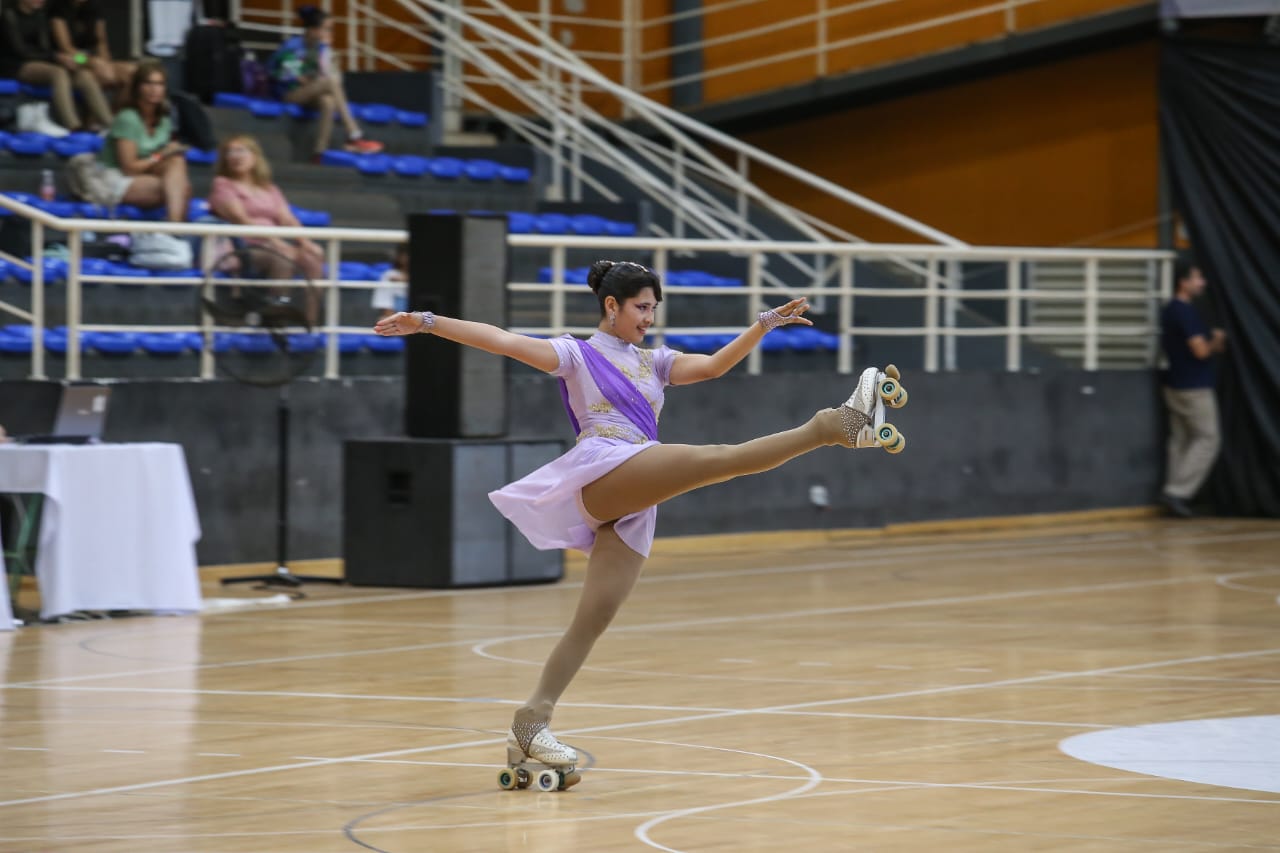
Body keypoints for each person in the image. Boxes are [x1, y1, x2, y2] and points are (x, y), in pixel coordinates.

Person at [373, 260, 905, 780]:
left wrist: (763, 324)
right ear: (612, 306)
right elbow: (502, 340)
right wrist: (427, 322)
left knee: (594, 617)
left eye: (653, 309)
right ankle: (833, 425)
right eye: (641, 308)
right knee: (719, 460)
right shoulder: (575, 354)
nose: (649, 318)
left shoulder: (654, 362)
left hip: (635, 487)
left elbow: (715, 366)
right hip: (605, 467)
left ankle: (530, 722)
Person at [268, 5, 383, 162]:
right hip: (288, 93)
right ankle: (354, 134)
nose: (329, 33)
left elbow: (322, 75)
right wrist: (307, 77)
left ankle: (319, 153)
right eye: (326, 29)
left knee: (328, 102)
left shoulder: (320, 48)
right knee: (331, 82)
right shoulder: (292, 47)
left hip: (308, 92)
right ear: (313, 30)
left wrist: (329, 59)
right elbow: (286, 76)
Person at [1159, 258, 1225, 518]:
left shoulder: (1169, 310)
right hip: (1194, 387)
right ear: (1183, 282)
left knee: (1181, 441)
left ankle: (1174, 494)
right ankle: (1177, 492)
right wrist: (1216, 341)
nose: (1202, 283)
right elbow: (1199, 350)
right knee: (1209, 439)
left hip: (1174, 383)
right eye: (1197, 277)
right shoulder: (1185, 311)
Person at [208, 134, 324, 284]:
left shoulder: (269, 188)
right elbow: (241, 219)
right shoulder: (222, 184)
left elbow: (287, 218)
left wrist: (306, 243)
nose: (235, 156)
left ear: (255, 157)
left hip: (273, 244)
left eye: (241, 151)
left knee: (311, 259)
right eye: (230, 152)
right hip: (243, 245)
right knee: (283, 258)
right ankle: (277, 306)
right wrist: (275, 241)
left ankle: (314, 308)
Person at [0, 0, 114, 134]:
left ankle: (110, 123)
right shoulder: (8, 16)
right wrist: (58, 58)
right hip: (15, 64)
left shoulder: (41, 16)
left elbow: (46, 47)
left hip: (47, 59)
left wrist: (72, 60)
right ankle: (73, 125)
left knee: (83, 75)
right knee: (58, 73)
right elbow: (20, 50)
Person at [47, 0, 134, 120]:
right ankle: (98, 121)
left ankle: (118, 116)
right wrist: (91, 62)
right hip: (72, 59)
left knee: (132, 71)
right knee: (98, 76)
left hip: (93, 58)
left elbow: (101, 42)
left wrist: (105, 63)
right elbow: (65, 47)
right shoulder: (57, 10)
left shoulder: (94, 8)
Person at [371, 244, 409, 320]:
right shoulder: (390, 275)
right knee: (384, 320)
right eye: (406, 254)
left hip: (425, 324)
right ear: (399, 257)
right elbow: (386, 308)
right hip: (401, 322)